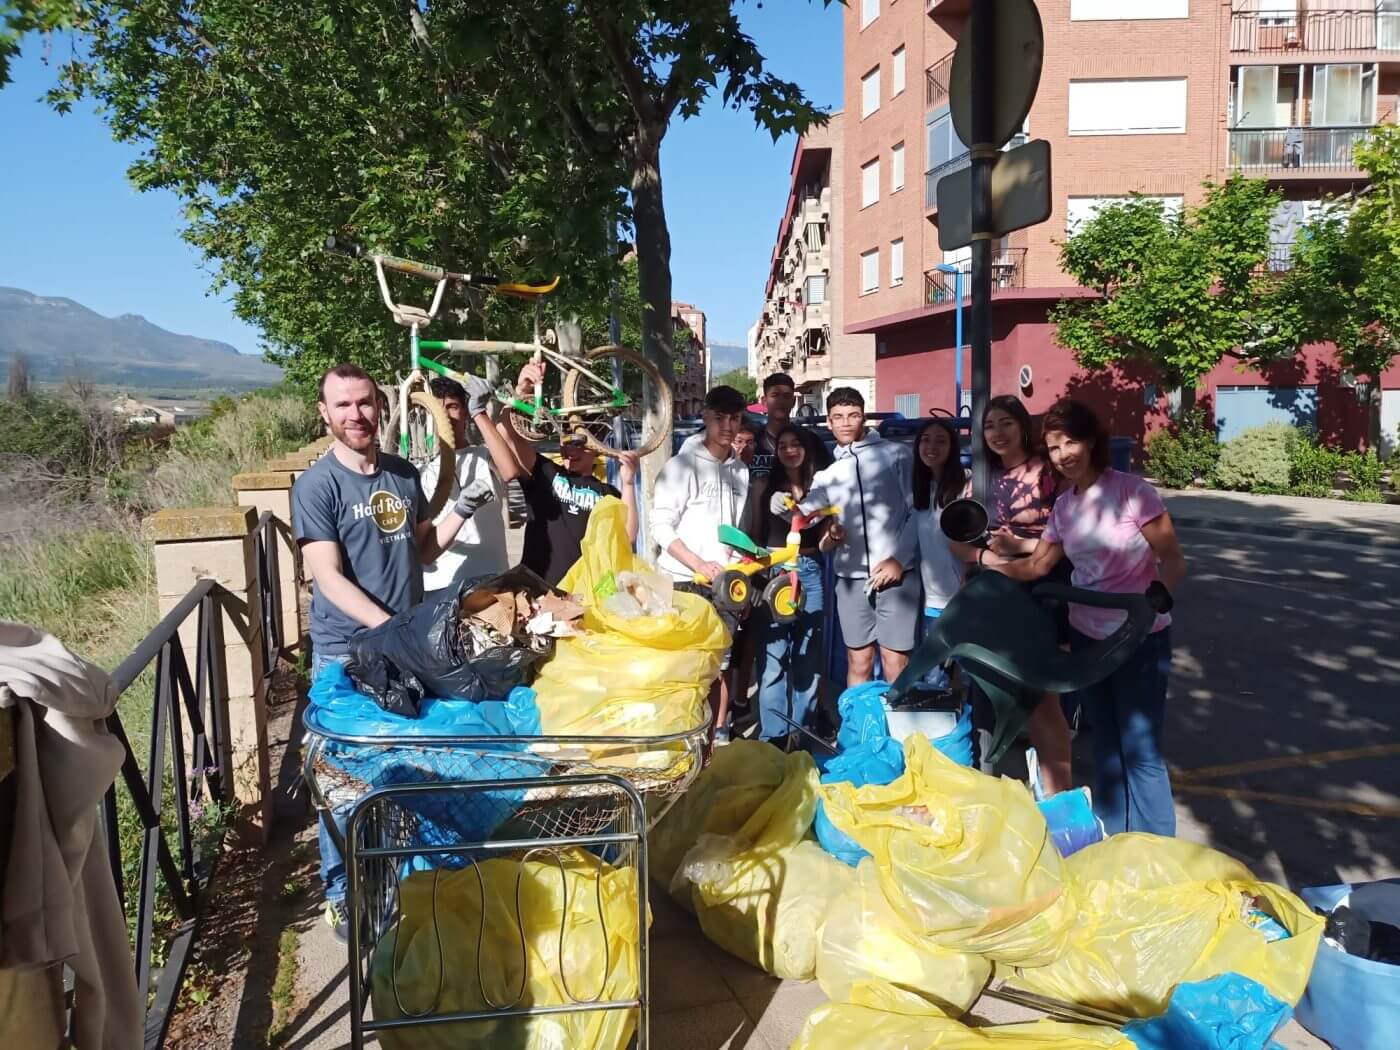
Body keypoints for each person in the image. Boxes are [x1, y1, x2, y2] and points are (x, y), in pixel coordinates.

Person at [293, 363, 499, 941]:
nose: (355, 414)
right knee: (340, 778)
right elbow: (328, 578)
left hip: (402, 649)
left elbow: (423, 551)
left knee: (408, 767)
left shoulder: (404, 475)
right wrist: (391, 628)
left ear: (380, 407)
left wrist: (464, 506)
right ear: (325, 413)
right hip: (345, 653)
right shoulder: (317, 486)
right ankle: (340, 890)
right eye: (342, 406)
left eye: (363, 403)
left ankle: (404, 879)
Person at [985, 399, 1186, 836]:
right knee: (1107, 747)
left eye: (1070, 443)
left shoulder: (1134, 492)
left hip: (1139, 639)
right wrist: (987, 567)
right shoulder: (1065, 507)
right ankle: (1118, 841)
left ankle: (1159, 852)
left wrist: (1159, 594)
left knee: (1141, 752)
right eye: (1054, 447)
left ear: (1091, 441)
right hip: (1086, 639)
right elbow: (1038, 566)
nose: (1062, 455)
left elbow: (1172, 559)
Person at [950, 395, 1075, 796]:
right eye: (989, 426)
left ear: (1022, 425)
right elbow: (956, 536)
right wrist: (986, 557)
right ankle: (991, 788)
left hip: (1041, 593)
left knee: (1041, 701)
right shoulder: (980, 478)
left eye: (1005, 423)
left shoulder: (1049, 474)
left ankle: (1059, 796)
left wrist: (1019, 547)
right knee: (989, 691)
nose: (998, 433)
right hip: (990, 596)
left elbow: (1073, 535)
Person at [782, 386, 918, 687]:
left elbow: (916, 512)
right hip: (850, 579)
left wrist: (899, 560)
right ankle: (858, 732)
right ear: (828, 423)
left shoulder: (896, 455)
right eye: (838, 417)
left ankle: (899, 733)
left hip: (896, 577)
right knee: (858, 661)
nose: (845, 423)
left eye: (853, 415)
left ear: (863, 418)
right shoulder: (829, 475)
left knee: (895, 662)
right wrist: (781, 504)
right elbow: (802, 516)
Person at [474, 360, 639, 586]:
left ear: (596, 446)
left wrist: (629, 483)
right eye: (565, 441)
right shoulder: (545, 472)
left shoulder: (606, 492)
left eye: (578, 442)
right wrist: (521, 391)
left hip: (582, 599)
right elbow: (505, 435)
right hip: (537, 592)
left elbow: (627, 536)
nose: (570, 449)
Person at [651, 385, 751, 744]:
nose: (728, 426)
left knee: (718, 668)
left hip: (725, 587)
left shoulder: (741, 471)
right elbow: (660, 526)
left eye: (735, 418)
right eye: (720, 417)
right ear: (705, 417)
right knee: (682, 670)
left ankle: (713, 741)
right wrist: (698, 563)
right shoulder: (680, 467)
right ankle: (677, 743)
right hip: (683, 584)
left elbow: (736, 532)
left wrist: (738, 567)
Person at [750, 424, 833, 744]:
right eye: (782, 445)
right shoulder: (766, 485)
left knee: (808, 661)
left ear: (807, 448)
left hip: (810, 570)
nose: (788, 450)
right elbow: (754, 531)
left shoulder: (821, 487)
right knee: (773, 659)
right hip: (775, 571)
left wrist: (832, 535)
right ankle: (773, 737)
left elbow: (826, 539)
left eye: (795, 443)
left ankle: (803, 736)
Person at [417, 376, 509, 592]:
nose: (445, 417)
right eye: (437, 410)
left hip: (492, 580)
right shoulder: (420, 472)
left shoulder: (485, 455)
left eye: (452, 407)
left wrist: (479, 411)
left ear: (465, 411)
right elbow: (424, 550)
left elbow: (510, 470)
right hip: (441, 586)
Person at [912, 416, 968, 643]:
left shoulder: (967, 484)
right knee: (935, 674)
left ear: (952, 448)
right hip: (933, 598)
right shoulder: (920, 489)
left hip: (964, 596)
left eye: (941, 441)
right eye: (925, 440)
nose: (931, 446)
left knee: (968, 672)